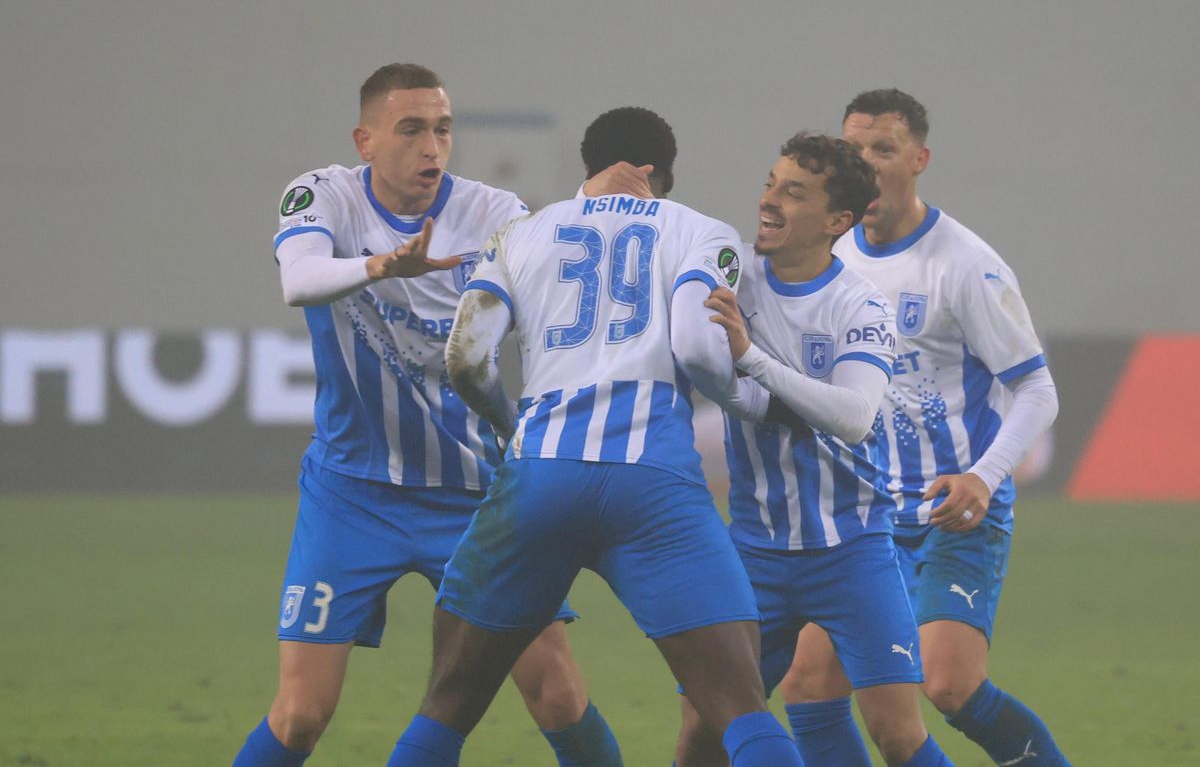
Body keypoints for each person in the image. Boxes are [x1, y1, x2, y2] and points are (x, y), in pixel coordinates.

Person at [386, 107, 804, 766]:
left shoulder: (520, 233)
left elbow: (465, 358)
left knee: (446, 707)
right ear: (654, 173)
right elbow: (699, 348)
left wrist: (507, 422)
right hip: (653, 482)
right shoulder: (700, 231)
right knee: (740, 709)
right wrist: (745, 399)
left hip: (538, 476)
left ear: (590, 166)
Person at [232, 63, 621, 767]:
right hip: (352, 494)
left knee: (558, 694)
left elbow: (547, 320)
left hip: (474, 497)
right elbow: (300, 280)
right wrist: (381, 266)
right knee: (299, 718)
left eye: (442, 129)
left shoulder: (496, 214)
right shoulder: (323, 198)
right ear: (366, 140)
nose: (431, 147)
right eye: (411, 129)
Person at [778, 89, 1069, 766]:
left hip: (952, 508)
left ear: (919, 159)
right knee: (810, 685)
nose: (868, 163)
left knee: (949, 684)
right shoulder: (830, 256)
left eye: (884, 149)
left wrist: (982, 476)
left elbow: (1037, 388)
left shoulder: (964, 264)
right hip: (864, 514)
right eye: (854, 150)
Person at [671, 133, 953, 767]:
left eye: (792, 192)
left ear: (837, 222)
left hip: (851, 551)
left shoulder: (861, 305)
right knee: (702, 732)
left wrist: (751, 359)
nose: (769, 200)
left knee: (899, 735)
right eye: (771, 182)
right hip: (752, 552)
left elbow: (853, 417)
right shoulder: (729, 274)